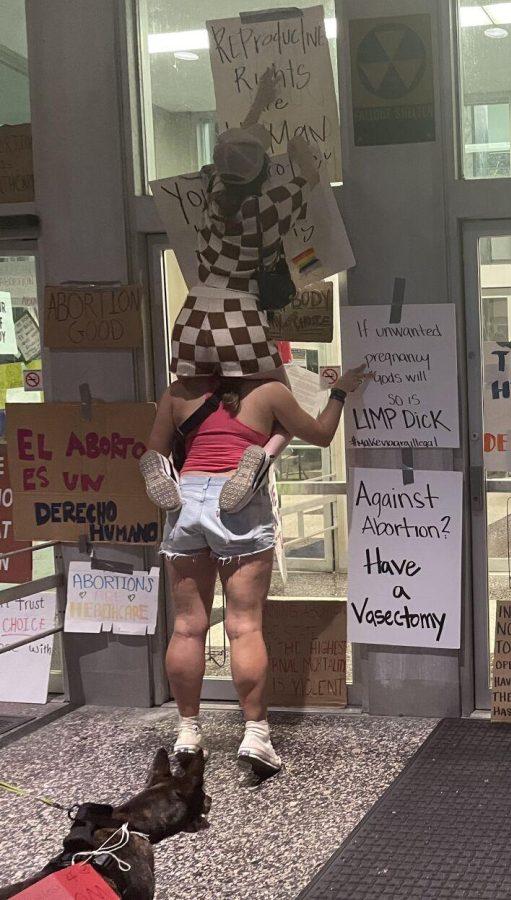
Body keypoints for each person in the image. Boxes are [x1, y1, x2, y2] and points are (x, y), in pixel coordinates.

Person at [144, 364, 371, 778]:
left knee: (187, 627)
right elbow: (321, 435)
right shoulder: (267, 392)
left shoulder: (178, 391)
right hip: (238, 500)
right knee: (244, 625)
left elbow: (155, 452)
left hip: (187, 497)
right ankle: (255, 734)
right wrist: (339, 392)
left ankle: (188, 731)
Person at [140, 70, 323, 516]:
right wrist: (300, 151)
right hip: (238, 313)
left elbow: (238, 148)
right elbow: (309, 178)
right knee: (279, 397)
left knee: (189, 387)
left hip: (194, 314)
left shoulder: (212, 193)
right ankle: (258, 459)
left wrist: (259, 100)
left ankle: (155, 457)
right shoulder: (266, 206)